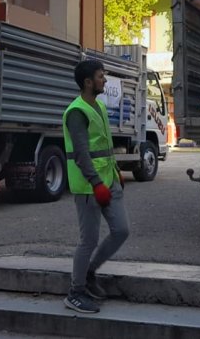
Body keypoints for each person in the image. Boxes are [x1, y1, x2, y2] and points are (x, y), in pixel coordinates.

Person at [62, 59, 130, 314]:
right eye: (101, 76)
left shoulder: (99, 106)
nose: (104, 80)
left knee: (121, 230)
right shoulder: (76, 112)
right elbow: (81, 154)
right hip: (90, 186)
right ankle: (75, 292)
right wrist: (96, 183)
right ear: (88, 82)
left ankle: (90, 272)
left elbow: (103, 146)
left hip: (109, 181)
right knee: (87, 241)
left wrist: (116, 172)